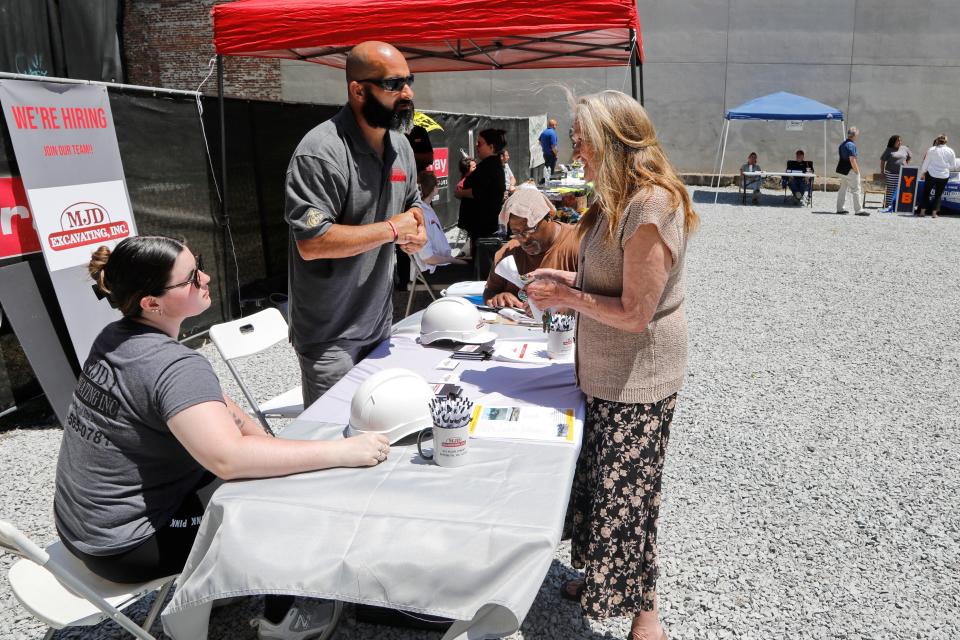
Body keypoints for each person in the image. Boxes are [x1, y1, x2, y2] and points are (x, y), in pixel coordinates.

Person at [55, 236, 391, 640]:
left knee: (268, 465)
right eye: (192, 277)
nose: (206, 277)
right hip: (125, 547)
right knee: (273, 498)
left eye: (199, 265)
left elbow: (211, 399)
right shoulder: (173, 364)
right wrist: (344, 451)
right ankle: (281, 621)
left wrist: (261, 437)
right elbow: (229, 460)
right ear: (151, 303)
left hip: (80, 530)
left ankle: (225, 580)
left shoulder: (116, 337)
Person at [527, 90, 698, 640]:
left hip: (639, 376)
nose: (573, 143)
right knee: (599, 485)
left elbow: (634, 311)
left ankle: (646, 614)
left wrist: (568, 300)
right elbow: (608, 278)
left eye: (582, 134)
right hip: (604, 370)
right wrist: (564, 282)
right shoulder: (612, 196)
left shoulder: (651, 205)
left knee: (631, 495)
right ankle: (603, 577)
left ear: (612, 137)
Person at [284, 41, 427, 407]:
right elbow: (313, 243)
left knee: (382, 430)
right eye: (394, 85)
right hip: (331, 336)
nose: (407, 93)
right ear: (358, 90)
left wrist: (417, 228)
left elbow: (412, 204)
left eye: (409, 81)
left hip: (379, 325)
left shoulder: (400, 145)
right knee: (335, 440)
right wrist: (393, 230)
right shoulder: (320, 152)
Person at [482, 188, 579, 309]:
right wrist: (499, 297)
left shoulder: (578, 243)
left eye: (530, 229)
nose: (524, 239)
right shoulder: (508, 253)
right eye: (516, 232)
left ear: (549, 217)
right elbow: (489, 292)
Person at [455, 128, 507, 251]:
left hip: (482, 225)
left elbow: (480, 192)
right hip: (482, 224)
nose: (477, 146)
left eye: (480, 143)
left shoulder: (489, 166)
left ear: (491, 147)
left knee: (481, 259)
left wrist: (461, 192)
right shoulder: (490, 165)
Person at [415, 169, 465, 273]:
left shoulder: (427, 208)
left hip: (441, 263)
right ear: (434, 189)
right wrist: (452, 260)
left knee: (474, 265)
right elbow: (428, 258)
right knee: (473, 272)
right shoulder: (421, 214)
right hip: (432, 270)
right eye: (437, 185)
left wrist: (452, 259)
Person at [916, 134, 958, 218]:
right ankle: (934, 214)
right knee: (938, 194)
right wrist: (945, 167)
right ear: (946, 141)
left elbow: (926, 163)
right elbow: (954, 165)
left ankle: (922, 212)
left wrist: (922, 173)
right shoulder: (950, 151)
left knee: (926, 193)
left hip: (931, 174)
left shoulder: (931, 149)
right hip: (944, 175)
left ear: (937, 140)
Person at [836, 126, 867, 215]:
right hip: (850, 169)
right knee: (856, 189)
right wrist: (857, 171)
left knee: (843, 189)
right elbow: (852, 159)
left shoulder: (842, 144)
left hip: (842, 169)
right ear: (855, 135)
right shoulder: (851, 145)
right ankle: (858, 210)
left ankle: (840, 208)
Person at [880, 135, 911, 210]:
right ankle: (889, 204)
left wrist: (906, 164)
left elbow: (909, 157)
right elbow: (882, 160)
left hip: (902, 173)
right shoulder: (889, 149)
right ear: (893, 142)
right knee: (891, 189)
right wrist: (882, 171)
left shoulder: (905, 148)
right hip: (891, 172)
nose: (899, 142)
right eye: (898, 141)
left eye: (900, 140)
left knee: (900, 189)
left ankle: (897, 204)